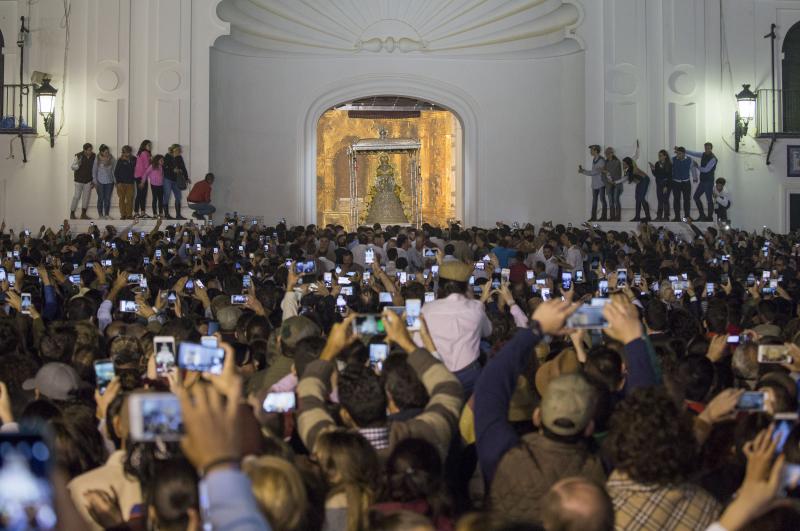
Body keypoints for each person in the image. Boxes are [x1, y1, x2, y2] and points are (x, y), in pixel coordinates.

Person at [419, 261, 491, 397]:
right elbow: (487, 331)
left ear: (440, 285)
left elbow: (419, 342)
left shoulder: (427, 310)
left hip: (438, 372)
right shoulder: (475, 308)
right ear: (466, 286)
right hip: (470, 373)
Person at [687, 142, 718, 221]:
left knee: (709, 200)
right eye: (705, 148)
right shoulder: (703, 154)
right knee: (696, 197)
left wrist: (697, 166)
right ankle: (702, 215)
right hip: (703, 181)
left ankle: (709, 218)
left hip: (709, 182)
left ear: (711, 148)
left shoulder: (713, 158)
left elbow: (706, 170)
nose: (707, 150)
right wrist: (684, 150)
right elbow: (694, 153)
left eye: (708, 148)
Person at [578, 145, 607, 221]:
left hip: (600, 184)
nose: (590, 151)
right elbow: (594, 172)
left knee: (602, 200)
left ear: (596, 151)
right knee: (594, 201)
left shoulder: (601, 160)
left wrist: (583, 171)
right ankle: (593, 217)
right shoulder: (595, 159)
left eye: (592, 150)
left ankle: (604, 217)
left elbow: (594, 172)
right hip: (595, 184)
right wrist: (584, 171)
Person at [163, 143, 189, 220]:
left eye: (179, 150)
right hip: (167, 179)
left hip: (176, 179)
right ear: (173, 149)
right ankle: (167, 215)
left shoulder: (179, 157)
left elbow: (183, 168)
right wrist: (172, 169)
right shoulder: (167, 156)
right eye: (178, 149)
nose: (179, 151)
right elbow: (164, 167)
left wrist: (186, 178)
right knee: (167, 196)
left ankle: (178, 215)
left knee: (178, 197)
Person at [70, 142, 95, 220]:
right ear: (84, 150)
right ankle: (72, 213)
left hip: (88, 180)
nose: (90, 151)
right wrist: (78, 165)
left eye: (91, 150)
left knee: (86, 197)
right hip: (78, 180)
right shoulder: (78, 156)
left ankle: (83, 214)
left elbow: (95, 168)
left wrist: (93, 180)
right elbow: (72, 167)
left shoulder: (94, 156)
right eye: (88, 150)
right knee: (76, 196)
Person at [623, 156, 650, 222]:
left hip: (644, 180)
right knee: (637, 198)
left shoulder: (633, 168)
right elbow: (629, 179)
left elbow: (625, 178)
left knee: (641, 198)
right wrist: (624, 171)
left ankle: (648, 217)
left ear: (628, 163)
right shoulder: (629, 169)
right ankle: (637, 217)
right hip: (640, 182)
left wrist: (615, 182)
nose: (623, 165)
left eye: (624, 164)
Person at [92, 144, 115, 220]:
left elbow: (114, 170)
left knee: (107, 199)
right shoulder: (97, 159)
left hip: (109, 182)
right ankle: (100, 215)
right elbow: (94, 170)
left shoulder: (111, 158)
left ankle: (107, 214)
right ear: (101, 152)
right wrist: (95, 181)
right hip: (100, 182)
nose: (107, 153)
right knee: (101, 198)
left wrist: (115, 181)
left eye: (108, 152)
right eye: (105, 152)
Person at [648, 149, 672, 221]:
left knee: (665, 200)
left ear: (665, 156)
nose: (659, 157)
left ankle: (666, 217)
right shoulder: (657, 164)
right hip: (659, 184)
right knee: (660, 200)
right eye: (659, 156)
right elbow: (656, 175)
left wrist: (666, 186)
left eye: (661, 156)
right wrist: (652, 169)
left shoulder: (669, 164)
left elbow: (669, 177)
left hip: (666, 185)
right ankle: (659, 217)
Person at [114, 145, 136, 220]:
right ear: (123, 152)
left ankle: (129, 215)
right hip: (121, 184)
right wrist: (118, 182)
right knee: (122, 199)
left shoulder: (134, 159)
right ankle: (123, 215)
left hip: (130, 183)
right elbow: (116, 172)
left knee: (130, 199)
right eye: (125, 152)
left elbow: (135, 170)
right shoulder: (120, 160)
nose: (127, 154)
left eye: (128, 152)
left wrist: (128, 161)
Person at [601, 147, 623, 221]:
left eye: (608, 153)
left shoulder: (617, 162)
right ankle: (612, 217)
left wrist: (605, 171)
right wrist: (606, 182)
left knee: (616, 200)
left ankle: (618, 217)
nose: (607, 155)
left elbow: (612, 172)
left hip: (616, 184)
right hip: (608, 185)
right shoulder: (605, 163)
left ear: (612, 153)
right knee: (610, 201)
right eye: (606, 153)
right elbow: (603, 175)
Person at [671, 146, 693, 221]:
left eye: (680, 154)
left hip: (686, 183)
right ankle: (677, 217)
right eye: (677, 153)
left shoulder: (689, 159)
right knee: (676, 200)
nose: (678, 155)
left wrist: (695, 177)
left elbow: (692, 168)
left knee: (686, 200)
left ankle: (686, 217)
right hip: (676, 183)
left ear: (684, 154)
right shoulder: (673, 159)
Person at [133, 140, 152, 219]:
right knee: (141, 195)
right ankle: (137, 213)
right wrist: (152, 162)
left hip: (141, 176)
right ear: (144, 146)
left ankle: (141, 212)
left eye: (150, 145)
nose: (150, 147)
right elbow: (147, 166)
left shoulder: (143, 153)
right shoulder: (145, 153)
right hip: (141, 176)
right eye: (148, 145)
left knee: (142, 195)